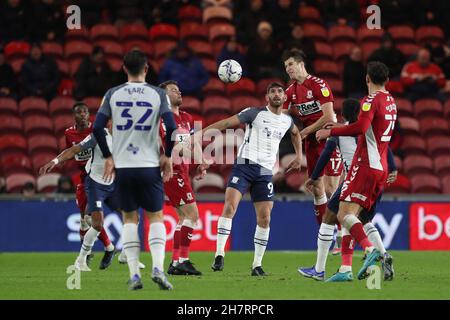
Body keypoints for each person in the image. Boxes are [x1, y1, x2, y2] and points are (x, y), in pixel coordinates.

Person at [196, 82, 302, 276]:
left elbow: (296, 134)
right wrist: (201, 134)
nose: (276, 94)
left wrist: (298, 154)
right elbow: (228, 123)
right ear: (266, 97)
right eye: (272, 92)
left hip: (264, 172)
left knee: (265, 217)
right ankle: (219, 254)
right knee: (230, 207)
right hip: (244, 165)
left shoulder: (287, 121)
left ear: (285, 98)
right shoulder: (255, 113)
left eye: (280, 91)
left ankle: (257, 265)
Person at [93, 49, 177, 291]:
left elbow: (98, 127)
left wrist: (108, 156)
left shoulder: (112, 94)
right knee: (156, 216)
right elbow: (171, 127)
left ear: (123, 68)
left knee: (129, 218)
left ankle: (133, 275)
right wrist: (167, 155)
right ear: (147, 69)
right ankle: (158, 269)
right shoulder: (159, 94)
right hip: (149, 165)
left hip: (124, 167)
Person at [298, 98, 396, 281]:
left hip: (356, 178)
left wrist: (314, 176)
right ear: (360, 113)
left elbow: (327, 153)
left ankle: (321, 269)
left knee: (331, 216)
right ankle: (380, 255)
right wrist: (394, 167)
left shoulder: (341, 131)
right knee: (363, 220)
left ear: (342, 114)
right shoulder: (368, 129)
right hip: (377, 178)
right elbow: (386, 147)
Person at [315, 61, 397, 280]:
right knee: (358, 217)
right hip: (380, 165)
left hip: (365, 166)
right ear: (387, 80)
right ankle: (345, 269)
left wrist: (333, 131)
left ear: (367, 79)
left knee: (344, 214)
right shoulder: (391, 101)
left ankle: (371, 251)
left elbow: (360, 128)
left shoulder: (370, 100)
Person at [282, 49, 343, 225]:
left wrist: (305, 131)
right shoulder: (290, 91)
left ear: (301, 64)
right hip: (312, 142)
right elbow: (279, 115)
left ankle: (342, 233)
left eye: (291, 64)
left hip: (329, 138)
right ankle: (324, 232)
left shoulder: (318, 84)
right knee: (316, 188)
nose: (288, 69)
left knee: (332, 188)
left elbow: (329, 117)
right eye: (286, 66)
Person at [158, 80, 203, 276]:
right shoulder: (163, 119)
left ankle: (175, 261)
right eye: (173, 90)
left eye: (179, 89)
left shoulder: (186, 117)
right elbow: (175, 147)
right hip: (172, 170)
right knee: (193, 215)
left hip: (182, 170)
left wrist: (201, 162)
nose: (179, 92)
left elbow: (190, 142)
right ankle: (183, 260)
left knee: (183, 217)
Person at [64, 102, 114, 265]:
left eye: (86, 112)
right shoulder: (69, 133)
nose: (83, 115)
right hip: (84, 178)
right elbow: (72, 151)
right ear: (75, 116)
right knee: (84, 219)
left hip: (100, 177)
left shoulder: (96, 131)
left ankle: (107, 248)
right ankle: (91, 252)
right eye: (80, 112)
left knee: (91, 218)